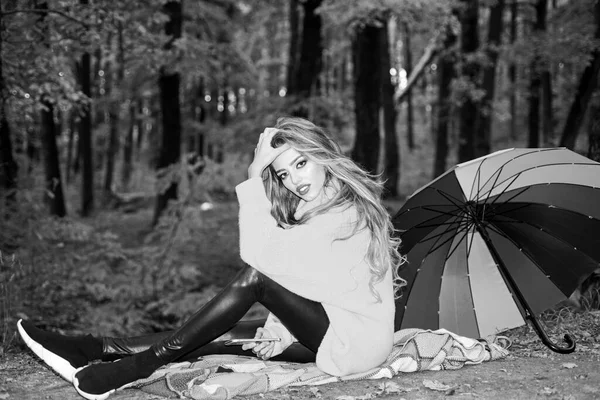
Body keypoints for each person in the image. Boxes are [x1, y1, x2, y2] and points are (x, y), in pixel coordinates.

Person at [17, 117, 405, 400]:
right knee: (224, 336)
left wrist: (255, 175)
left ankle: (140, 364)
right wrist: (282, 329)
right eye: (282, 173)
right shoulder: (315, 206)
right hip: (329, 328)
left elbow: (265, 267)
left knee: (255, 278)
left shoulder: (344, 211)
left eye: (301, 163)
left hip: (355, 343)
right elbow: (313, 284)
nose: (294, 179)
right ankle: (94, 347)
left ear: (322, 156)